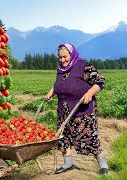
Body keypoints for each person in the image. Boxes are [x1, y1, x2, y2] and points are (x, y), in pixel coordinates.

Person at [45, 43, 108, 174]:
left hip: (82, 111)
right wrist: (52, 92)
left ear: (72, 54)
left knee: (89, 137)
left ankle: (103, 164)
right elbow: (58, 84)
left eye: (65, 57)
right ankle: (68, 164)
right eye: (60, 57)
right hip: (64, 111)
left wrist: (90, 93)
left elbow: (101, 81)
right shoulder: (61, 69)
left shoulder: (83, 66)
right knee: (63, 138)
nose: (62, 60)